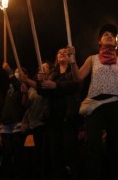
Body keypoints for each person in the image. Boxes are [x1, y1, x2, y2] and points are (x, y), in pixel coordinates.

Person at [68, 23, 118, 179]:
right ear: (99, 42)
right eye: (105, 35)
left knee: (113, 145)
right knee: (93, 146)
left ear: (116, 42)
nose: (109, 36)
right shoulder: (92, 59)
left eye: (112, 35)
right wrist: (72, 61)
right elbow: (78, 78)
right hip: (95, 105)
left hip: (116, 104)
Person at [37, 47, 82, 179]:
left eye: (65, 52)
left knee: (70, 152)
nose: (62, 53)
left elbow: (75, 85)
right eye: (59, 52)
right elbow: (43, 92)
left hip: (69, 117)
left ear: (70, 57)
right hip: (53, 119)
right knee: (55, 155)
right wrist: (40, 82)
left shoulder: (74, 71)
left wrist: (56, 86)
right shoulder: (52, 73)